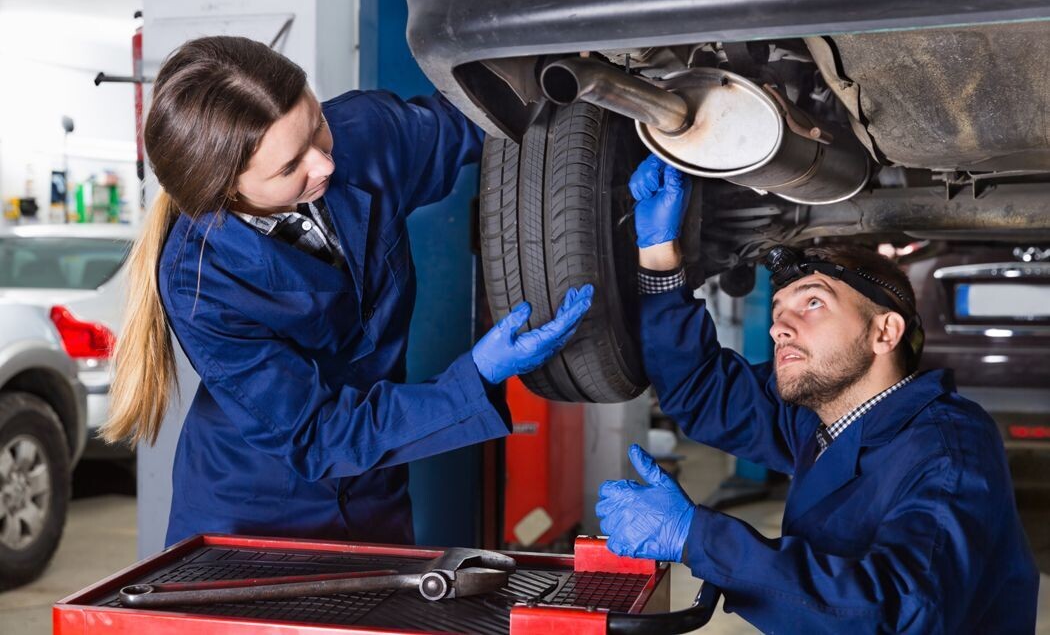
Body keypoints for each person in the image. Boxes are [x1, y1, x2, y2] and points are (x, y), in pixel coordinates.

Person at [102, 36, 593, 547]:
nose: (325, 165)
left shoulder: (364, 136)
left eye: (316, 123)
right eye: (290, 167)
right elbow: (316, 435)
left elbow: (483, 118)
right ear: (226, 192)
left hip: (375, 490)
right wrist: (475, 376)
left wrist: (576, 76)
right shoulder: (200, 282)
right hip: (253, 516)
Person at [596, 154, 1038, 633]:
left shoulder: (948, 452)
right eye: (780, 309)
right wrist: (659, 255)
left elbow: (900, 615)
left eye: (812, 302)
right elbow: (703, 390)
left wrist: (698, 537)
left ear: (883, 333)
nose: (780, 326)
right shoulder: (825, 416)